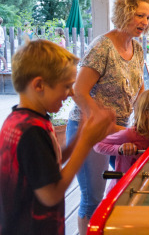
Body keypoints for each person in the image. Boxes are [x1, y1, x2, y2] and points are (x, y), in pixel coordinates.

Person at [0, 39, 116, 235]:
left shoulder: (19, 119)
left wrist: (79, 137)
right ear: (39, 85)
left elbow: (47, 162)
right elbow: (51, 194)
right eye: (67, 86)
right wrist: (86, 143)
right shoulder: (32, 131)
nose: (71, 93)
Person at [66, 0, 149, 234]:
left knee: (120, 191)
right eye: (139, 15)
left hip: (119, 129)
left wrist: (147, 117)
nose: (144, 22)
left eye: (148, 17)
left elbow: (139, 90)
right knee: (92, 198)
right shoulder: (102, 46)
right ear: (124, 12)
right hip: (88, 129)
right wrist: (101, 120)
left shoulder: (137, 48)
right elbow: (79, 91)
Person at [93, 88, 149, 192]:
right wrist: (119, 148)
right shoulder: (129, 135)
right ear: (146, 113)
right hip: (122, 190)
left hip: (144, 187)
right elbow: (97, 144)